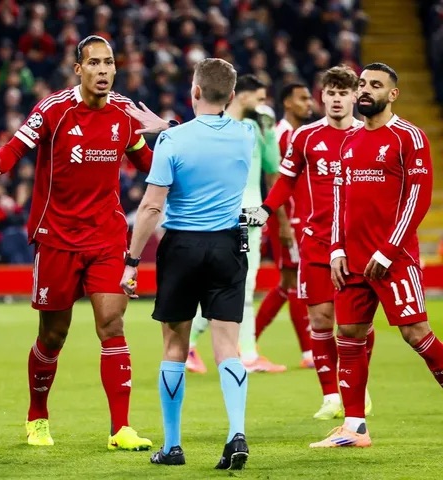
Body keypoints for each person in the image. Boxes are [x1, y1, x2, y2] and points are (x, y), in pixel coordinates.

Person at [0, 35, 153, 451]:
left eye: (109, 63)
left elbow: (148, 161)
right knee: (53, 335)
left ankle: (121, 429)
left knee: (112, 324)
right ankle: (37, 415)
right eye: (94, 63)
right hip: (57, 237)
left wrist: (182, 154)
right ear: (79, 69)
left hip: (107, 237)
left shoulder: (125, 113)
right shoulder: (54, 109)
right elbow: (17, 145)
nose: (103, 70)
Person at [121, 58, 252, 470]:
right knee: (227, 346)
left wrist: (131, 261)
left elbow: (150, 207)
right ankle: (236, 433)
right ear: (231, 95)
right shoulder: (246, 135)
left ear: (194, 91)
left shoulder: (172, 142)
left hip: (182, 247)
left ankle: (173, 446)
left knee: (175, 346)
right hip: (228, 246)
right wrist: (170, 126)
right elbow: (211, 134)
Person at [314, 62, 439, 447]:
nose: (366, 90)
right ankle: (354, 428)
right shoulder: (350, 140)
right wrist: (336, 248)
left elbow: (418, 199)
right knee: (349, 334)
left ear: (393, 94)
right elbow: (339, 198)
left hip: (394, 260)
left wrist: (388, 251)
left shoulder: (409, 137)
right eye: (363, 84)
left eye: (376, 85)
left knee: (415, 334)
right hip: (351, 261)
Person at [243, 65, 375, 419]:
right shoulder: (305, 137)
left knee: (358, 324)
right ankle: (330, 395)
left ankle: (358, 386)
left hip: (356, 243)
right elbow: (285, 181)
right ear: (322, 96)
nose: (336, 99)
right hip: (316, 241)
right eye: (331, 93)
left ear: (354, 96)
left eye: (343, 93)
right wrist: (266, 210)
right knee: (320, 320)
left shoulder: (368, 135)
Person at [185, 75, 286, 374]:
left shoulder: (255, 127)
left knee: (231, 285)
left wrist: (269, 133)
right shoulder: (218, 126)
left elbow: (272, 165)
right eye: (259, 98)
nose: (263, 104)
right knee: (241, 284)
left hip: (247, 217)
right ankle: (245, 355)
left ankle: (195, 345)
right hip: (238, 217)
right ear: (242, 96)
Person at [254, 82, 314, 368]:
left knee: (290, 282)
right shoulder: (280, 135)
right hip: (289, 220)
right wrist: (283, 223)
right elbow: (273, 181)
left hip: (303, 218)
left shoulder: (304, 134)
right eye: (302, 98)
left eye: (309, 98)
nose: (309, 103)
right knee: (295, 281)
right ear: (287, 103)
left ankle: (248, 341)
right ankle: (308, 352)